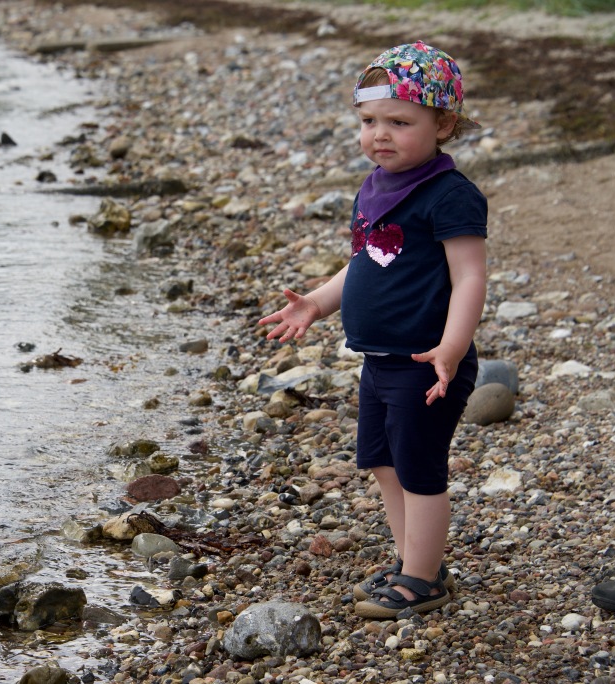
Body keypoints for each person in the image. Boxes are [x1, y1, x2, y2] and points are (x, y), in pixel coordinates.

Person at [258, 41, 488, 619]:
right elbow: (365, 262)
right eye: (368, 121)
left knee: (419, 471)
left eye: (400, 122)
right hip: (379, 361)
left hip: (426, 362)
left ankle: (423, 581)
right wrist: (316, 303)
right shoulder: (374, 186)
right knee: (384, 464)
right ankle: (413, 560)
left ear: (444, 124)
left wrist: (452, 347)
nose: (380, 135)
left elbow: (469, 277)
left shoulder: (451, 196)